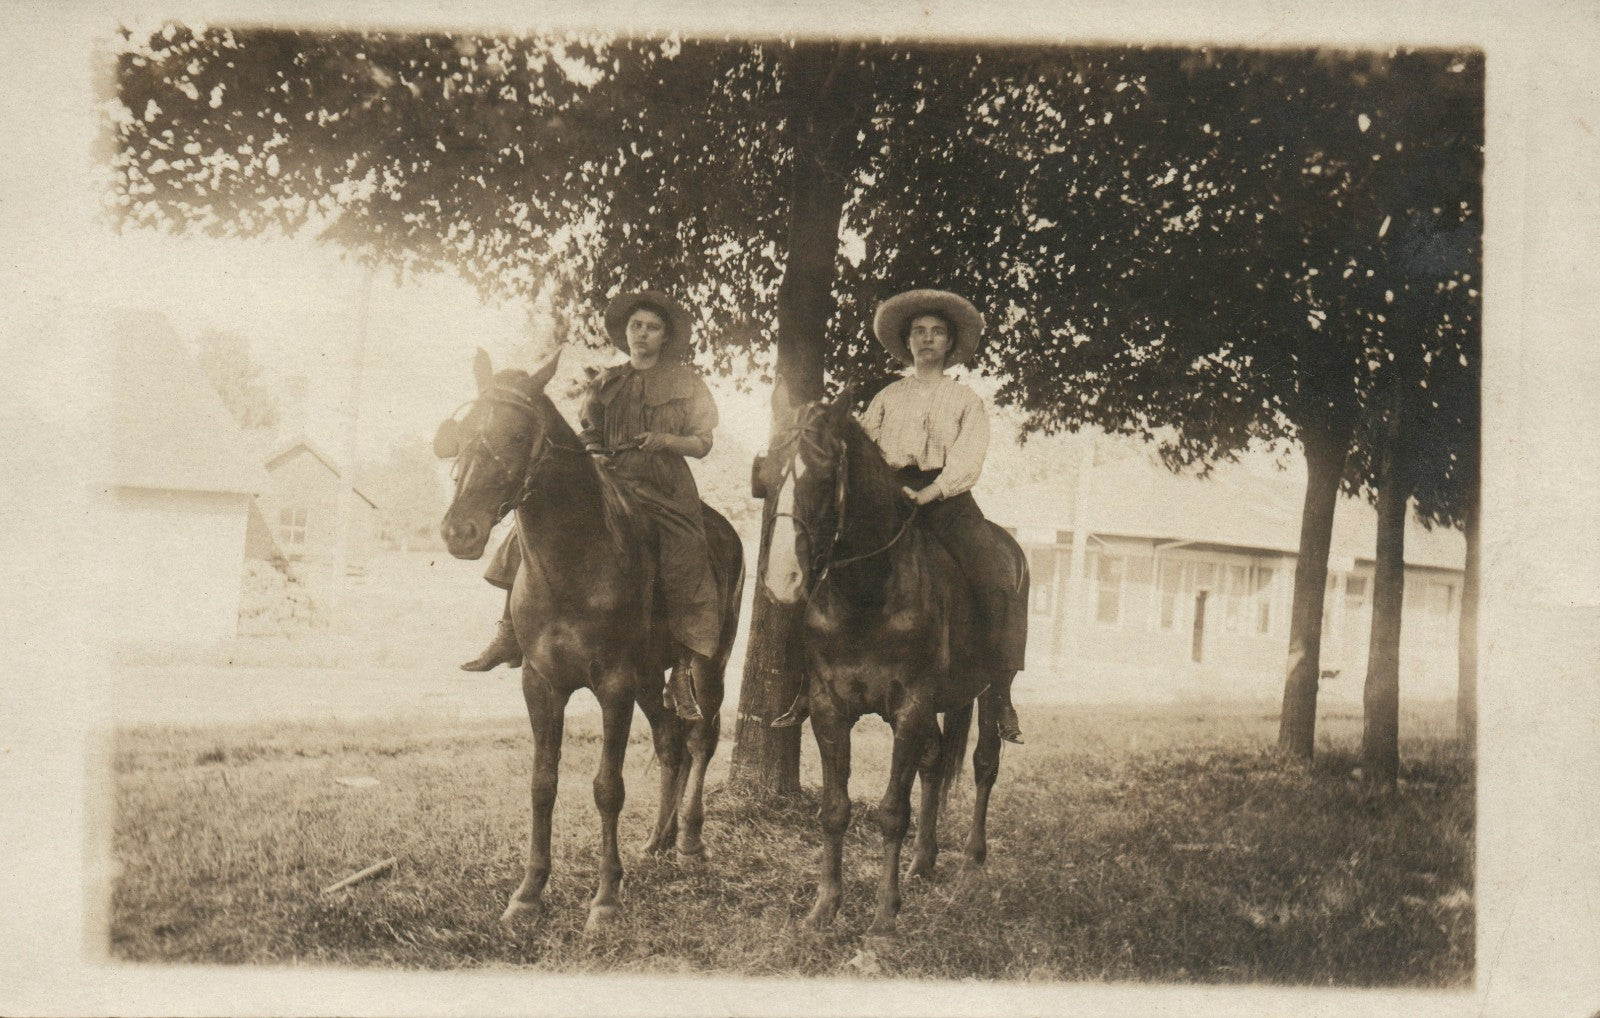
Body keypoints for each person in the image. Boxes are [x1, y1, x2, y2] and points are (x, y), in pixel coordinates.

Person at [773, 288, 1026, 743]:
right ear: (907, 342)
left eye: (937, 333)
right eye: (918, 332)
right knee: (815, 573)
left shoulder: (966, 400)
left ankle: (1000, 689)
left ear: (950, 344)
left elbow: (968, 459)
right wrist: (883, 492)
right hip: (887, 502)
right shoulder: (887, 396)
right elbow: (864, 450)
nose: (927, 340)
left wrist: (931, 491)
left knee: (995, 578)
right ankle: (803, 687)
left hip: (946, 502)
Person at [461, 290, 722, 723]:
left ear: (664, 336)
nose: (642, 334)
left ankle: (681, 666)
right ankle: (508, 632)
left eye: (652, 328)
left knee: (686, 552)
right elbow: (588, 433)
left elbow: (703, 442)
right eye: (636, 326)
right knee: (524, 528)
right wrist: (596, 453)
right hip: (609, 479)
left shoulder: (687, 384)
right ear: (626, 332)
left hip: (663, 485)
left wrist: (666, 441)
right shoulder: (606, 382)